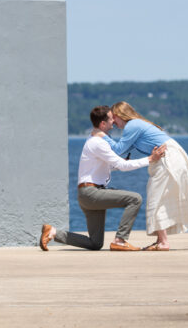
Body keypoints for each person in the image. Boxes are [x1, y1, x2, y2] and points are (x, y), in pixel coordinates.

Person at [40, 105, 165, 252]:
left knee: (95, 243)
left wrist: (121, 163)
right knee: (135, 199)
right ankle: (120, 240)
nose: (114, 122)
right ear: (103, 124)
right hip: (92, 193)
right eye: (111, 119)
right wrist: (150, 159)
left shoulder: (92, 140)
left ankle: (53, 232)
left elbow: (111, 166)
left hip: (87, 194)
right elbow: (122, 165)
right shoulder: (98, 143)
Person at [105, 101, 188, 251]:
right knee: (158, 198)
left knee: (155, 199)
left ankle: (163, 242)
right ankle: (161, 241)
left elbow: (118, 149)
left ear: (121, 115)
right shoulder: (137, 125)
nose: (113, 122)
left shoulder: (132, 125)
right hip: (170, 156)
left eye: (114, 118)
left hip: (167, 158)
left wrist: (101, 134)